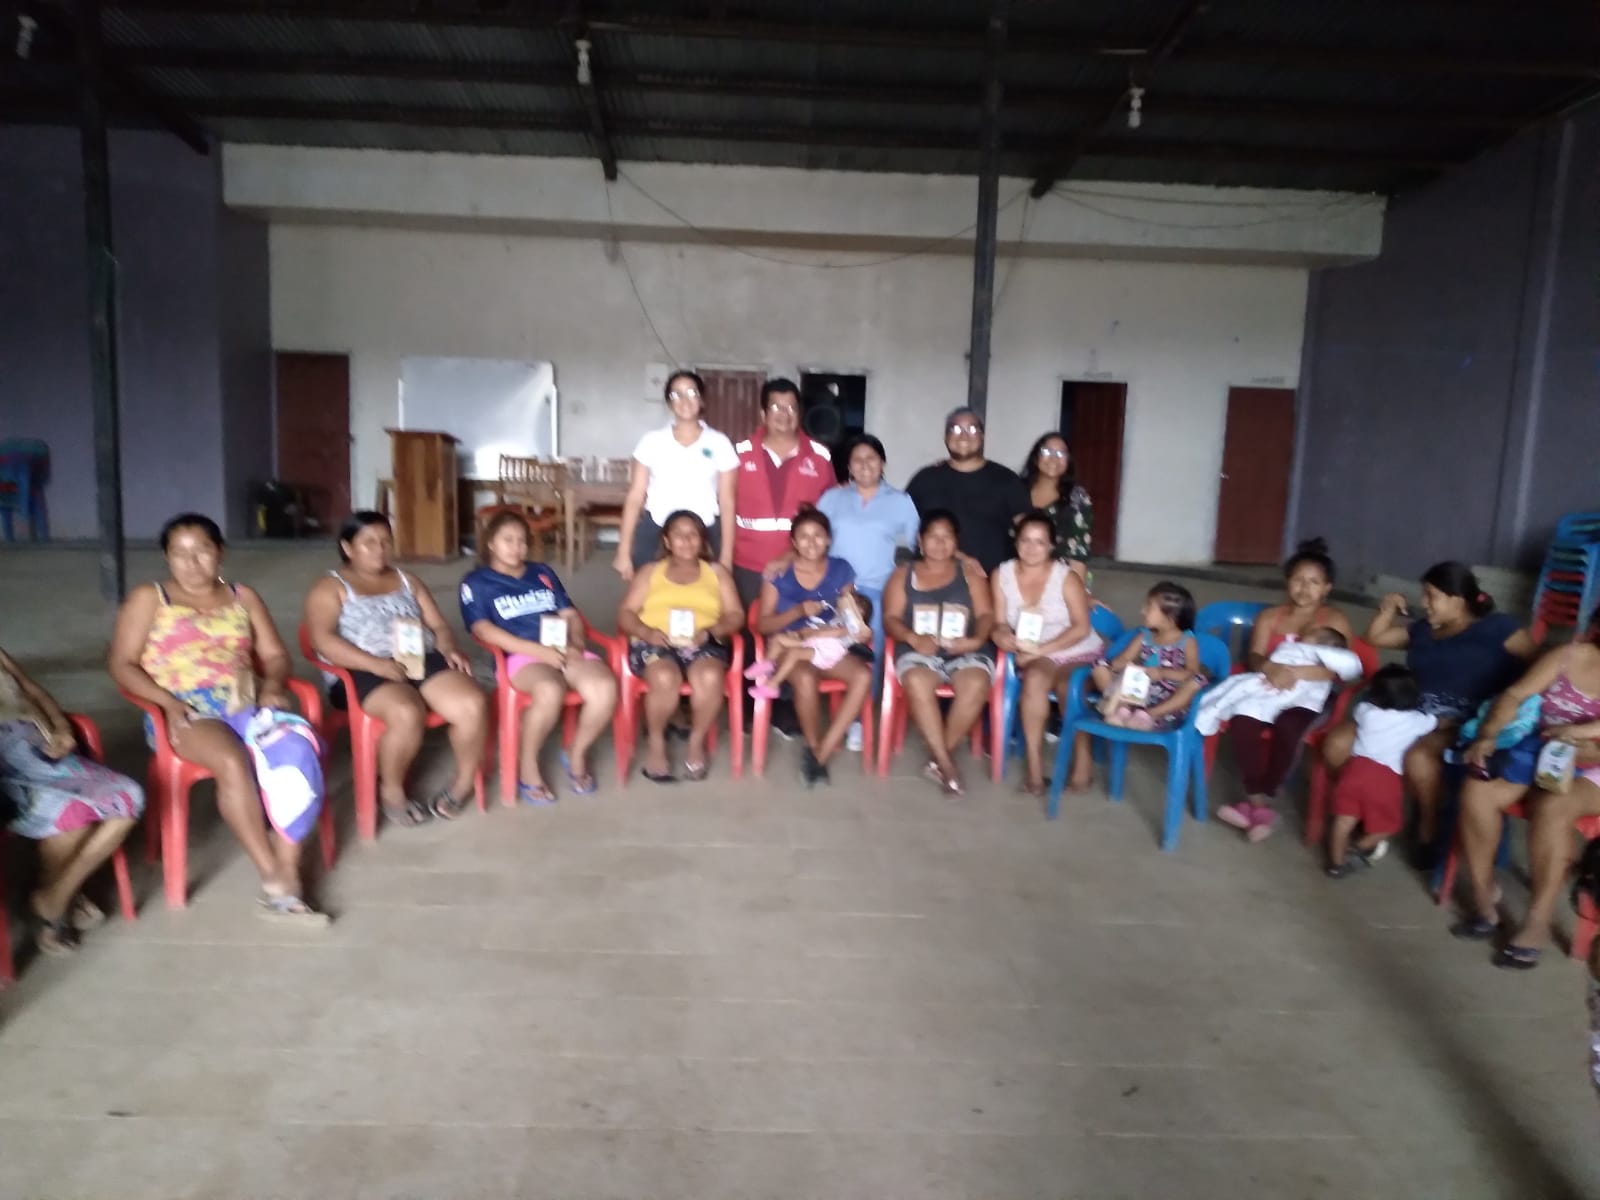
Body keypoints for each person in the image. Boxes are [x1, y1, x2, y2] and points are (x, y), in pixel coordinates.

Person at [108, 512, 326, 920]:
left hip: (245, 704)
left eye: (202, 551)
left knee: (298, 749)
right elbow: (122, 665)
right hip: (183, 711)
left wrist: (273, 684)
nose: (192, 563)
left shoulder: (243, 597)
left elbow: (275, 655)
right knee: (231, 759)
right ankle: (275, 877)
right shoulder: (150, 598)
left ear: (220, 552)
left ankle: (288, 862)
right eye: (180, 553)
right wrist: (167, 702)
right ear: (167, 557)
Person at [1322, 560, 1535, 863]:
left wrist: (1510, 703)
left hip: (1458, 723)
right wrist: (1387, 608)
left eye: (1431, 596)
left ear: (1457, 600)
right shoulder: (1423, 630)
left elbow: (1538, 665)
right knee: (1336, 744)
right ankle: (1366, 810)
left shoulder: (1498, 629)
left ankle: (1427, 826)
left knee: (1420, 758)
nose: (1424, 602)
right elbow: (1375, 638)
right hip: (1406, 715)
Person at [304, 512, 489, 827]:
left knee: (472, 703)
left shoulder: (408, 581)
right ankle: (391, 790)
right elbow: (322, 639)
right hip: (358, 668)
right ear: (347, 548)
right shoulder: (330, 587)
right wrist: (376, 664)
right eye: (369, 542)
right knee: (406, 711)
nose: (379, 549)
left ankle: (462, 784)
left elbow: (438, 625)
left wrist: (447, 647)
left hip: (418, 657)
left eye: (385, 541)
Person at [1453, 608, 1600, 969]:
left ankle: (1538, 920)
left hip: (1593, 766)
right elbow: (1515, 695)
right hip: (1542, 750)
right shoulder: (1569, 656)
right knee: (1478, 788)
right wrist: (1488, 736)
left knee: (1553, 807)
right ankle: (1486, 900)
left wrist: (1582, 745)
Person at [460, 510, 618, 804]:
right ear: (491, 543)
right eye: (508, 540)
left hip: (562, 648)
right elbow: (482, 629)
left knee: (605, 687)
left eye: (522, 540)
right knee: (549, 689)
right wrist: (538, 652)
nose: (516, 547)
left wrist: (576, 643)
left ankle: (576, 752)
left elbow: (570, 614)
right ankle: (528, 765)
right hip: (519, 656)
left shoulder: (542, 572)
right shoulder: (477, 582)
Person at [1, 647, 143, 955]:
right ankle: (56, 906)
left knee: (129, 797)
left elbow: (32, 690)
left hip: (44, 751)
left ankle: (53, 897)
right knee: (72, 818)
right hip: (8, 771)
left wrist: (63, 728)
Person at [1221, 539, 1360, 837]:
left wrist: (1298, 673)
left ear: (1327, 588)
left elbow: (1344, 667)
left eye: (1314, 582)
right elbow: (1255, 656)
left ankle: (1268, 791)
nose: (1304, 588)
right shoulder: (1270, 617)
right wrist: (1270, 667)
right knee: (1242, 721)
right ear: (1287, 581)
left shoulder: (1334, 620)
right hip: (1271, 685)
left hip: (1313, 694)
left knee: (1288, 726)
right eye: (1298, 580)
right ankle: (1257, 802)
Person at [749, 509, 876, 785]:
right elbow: (763, 625)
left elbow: (852, 613)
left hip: (828, 643)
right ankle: (813, 744)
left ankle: (821, 753)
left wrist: (860, 630)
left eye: (818, 535)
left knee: (863, 676)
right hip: (789, 644)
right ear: (794, 542)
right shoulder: (779, 573)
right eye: (804, 537)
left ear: (828, 539)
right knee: (805, 677)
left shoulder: (841, 570)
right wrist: (797, 612)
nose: (811, 542)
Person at [617, 510, 743, 783]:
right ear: (667, 540)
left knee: (710, 676)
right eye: (678, 535)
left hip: (702, 642)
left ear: (702, 540)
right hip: (655, 641)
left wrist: (711, 632)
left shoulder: (716, 573)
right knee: (664, 676)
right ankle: (656, 743)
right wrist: (646, 632)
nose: (686, 541)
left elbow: (736, 615)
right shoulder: (650, 572)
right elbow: (625, 613)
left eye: (692, 534)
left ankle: (696, 742)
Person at [814, 433, 920, 750]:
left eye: (871, 458)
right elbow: (813, 537)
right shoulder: (832, 498)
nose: (864, 465)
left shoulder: (899, 501)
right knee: (813, 629)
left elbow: (919, 545)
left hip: (876, 590)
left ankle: (859, 717)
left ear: (882, 463)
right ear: (848, 466)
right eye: (857, 460)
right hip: (834, 587)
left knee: (870, 636)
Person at [883, 510, 995, 797]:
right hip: (919, 650)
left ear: (956, 542)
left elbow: (986, 615)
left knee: (976, 682)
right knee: (917, 680)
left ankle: (936, 761)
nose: (940, 543)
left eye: (947, 537)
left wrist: (976, 639)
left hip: (964, 649)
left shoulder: (970, 574)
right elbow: (891, 619)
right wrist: (912, 638)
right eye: (933, 536)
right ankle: (946, 764)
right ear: (920, 541)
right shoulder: (903, 575)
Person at [991, 511, 1103, 796]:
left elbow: (1081, 628)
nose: (1031, 548)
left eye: (1040, 542)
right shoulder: (1002, 574)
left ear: (1052, 545)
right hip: (1035, 652)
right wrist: (1002, 635)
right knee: (1034, 681)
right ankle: (1035, 770)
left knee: (1068, 686)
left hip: (1076, 648)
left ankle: (1083, 763)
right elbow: (999, 621)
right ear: (1016, 542)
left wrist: (1038, 651)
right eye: (1025, 540)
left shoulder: (1066, 577)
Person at [613, 370, 739, 579]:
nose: (684, 400)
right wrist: (623, 551)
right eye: (676, 394)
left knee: (706, 593)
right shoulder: (651, 441)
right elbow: (635, 497)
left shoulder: (720, 443)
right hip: (656, 529)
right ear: (669, 403)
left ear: (701, 399)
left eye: (691, 392)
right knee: (648, 591)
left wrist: (726, 557)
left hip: (705, 532)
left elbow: (727, 502)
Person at [1323, 666, 1438, 875]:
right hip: (1384, 780)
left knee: (1344, 819)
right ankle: (1358, 847)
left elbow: (1360, 710)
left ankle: (1335, 864)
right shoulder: (1416, 721)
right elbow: (1434, 722)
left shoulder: (1366, 712)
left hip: (1354, 771)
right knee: (1389, 826)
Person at [730, 379, 834, 609]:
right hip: (746, 566)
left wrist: (791, 554)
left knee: (795, 627)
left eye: (791, 407)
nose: (784, 414)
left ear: (799, 412)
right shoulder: (739, 455)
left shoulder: (820, 457)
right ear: (763, 413)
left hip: (799, 566)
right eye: (776, 407)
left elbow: (828, 515)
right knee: (747, 628)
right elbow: (725, 509)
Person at [905, 407, 1030, 575]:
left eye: (972, 429)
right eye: (956, 429)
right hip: (932, 579)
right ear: (945, 437)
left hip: (991, 580)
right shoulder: (925, 479)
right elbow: (905, 528)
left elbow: (1029, 530)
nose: (963, 436)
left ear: (982, 436)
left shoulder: (1006, 480)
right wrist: (958, 556)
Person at [1089, 582, 1207, 732]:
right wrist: (1122, 665)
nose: (1142, 611)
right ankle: (1122, 709)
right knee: (1100, 666)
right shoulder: (1144, 636)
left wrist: (1162, 673)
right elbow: (1123, 659)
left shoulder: (1187, 641)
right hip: (1137, 691)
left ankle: (1151, 714)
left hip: (1169, 696)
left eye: (1149, 607)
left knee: (1196, 681)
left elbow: (1191, 673)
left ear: (1170, 616)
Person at [1021, 432, 1093, 579]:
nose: (1054, 458)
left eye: (1061, 453)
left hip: (1058, 579)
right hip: (1015, 574)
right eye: (1047, 451)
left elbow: (1078, 555)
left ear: (1068, 461)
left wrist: (1077, 589)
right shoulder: (1015, 490)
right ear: (1036, 457)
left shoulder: (1077, 499)